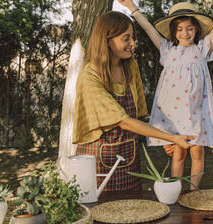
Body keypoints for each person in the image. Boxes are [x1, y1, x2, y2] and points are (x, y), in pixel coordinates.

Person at [117, 0, 213, 189]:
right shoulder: (167, 50)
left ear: (196, 30)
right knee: (178, 153)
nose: (184, 33)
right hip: (174, 116)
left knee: (197, 152)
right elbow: (148, 28)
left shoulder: (202, 49)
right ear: (173, 31)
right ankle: (176, 190)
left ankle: (193, 191)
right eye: (179, 29)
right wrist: (131, 7)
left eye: (189, 28)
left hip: (196, 112)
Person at [72, 11, 194, 192]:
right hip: (97, 162)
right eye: (126, 38)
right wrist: (171, 137)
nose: (133, 43)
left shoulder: (130, 66)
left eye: (133, 38)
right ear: (107, 40)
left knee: (132, 210)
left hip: (129, 158)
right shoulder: (89, 76)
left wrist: (165, 139)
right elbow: (123, 120)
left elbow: (139, 116)